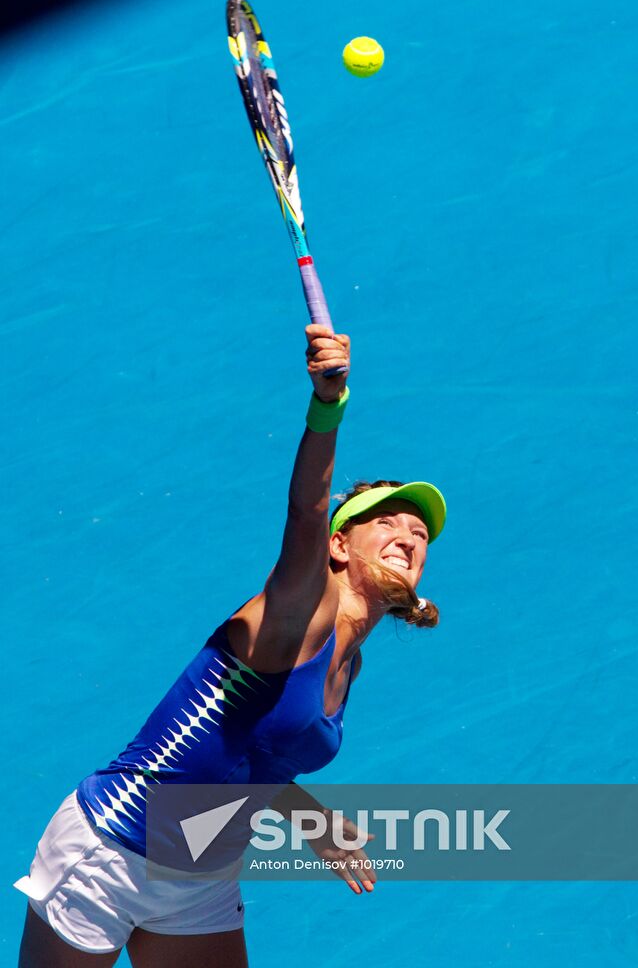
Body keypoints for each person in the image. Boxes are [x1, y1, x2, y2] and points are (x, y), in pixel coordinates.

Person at [15, 324, 446, 967]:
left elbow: (260, 754)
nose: (408, 536)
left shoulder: (348, 664)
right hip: (112, 848)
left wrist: (311, 819)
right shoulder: (304, 605)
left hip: (199, 881)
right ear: (336, 545)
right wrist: (328, 405)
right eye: (385, 520)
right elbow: (305, 510)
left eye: (419, 533)